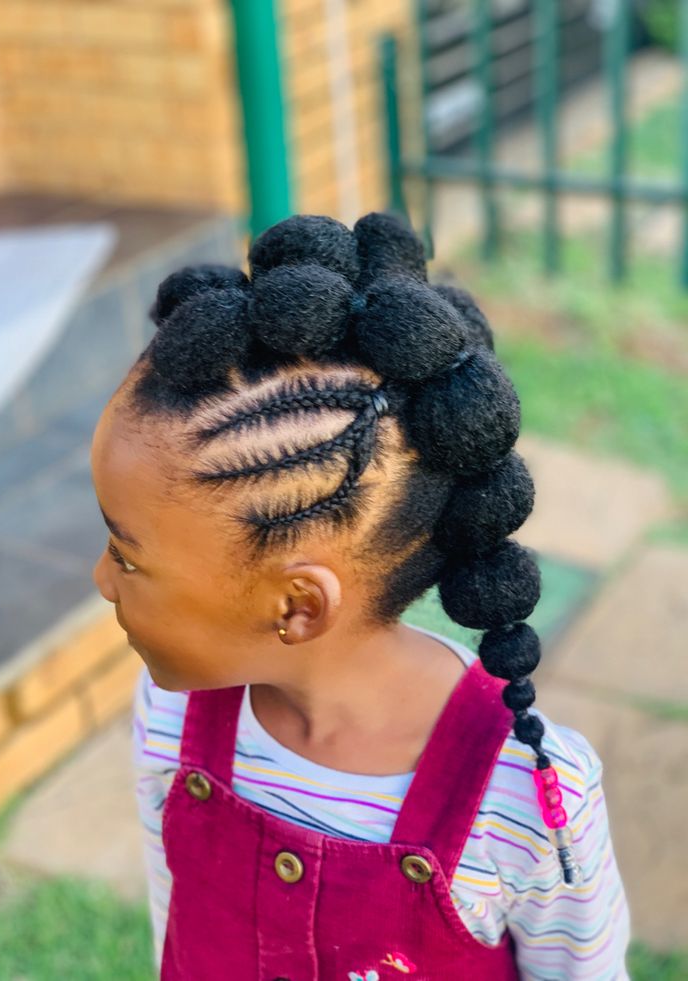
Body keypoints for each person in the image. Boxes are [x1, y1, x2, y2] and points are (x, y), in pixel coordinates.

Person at [90, 212, 630, 979]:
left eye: (126, 555)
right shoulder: (171, 716)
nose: (100, 578)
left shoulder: (523, 795)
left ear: (297, 606)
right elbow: (172, 915)